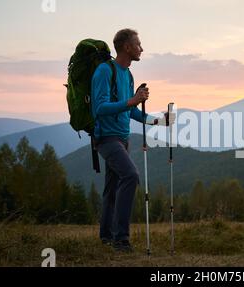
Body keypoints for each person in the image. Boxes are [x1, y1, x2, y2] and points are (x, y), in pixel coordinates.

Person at [91, 28, 174, 252]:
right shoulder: (104, 71)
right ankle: (121, 240)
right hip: (107, 138)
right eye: (138, 44)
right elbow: (99, 108)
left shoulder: (127, 75)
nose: (141, 48)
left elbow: (130, 111)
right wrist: (132, 100)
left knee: (112, 188)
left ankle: (106, 237)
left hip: (122, 139)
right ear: (127, 47)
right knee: (130, 176)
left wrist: (159, 121)